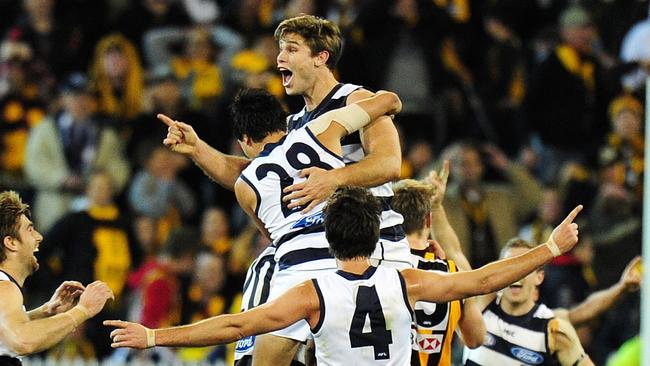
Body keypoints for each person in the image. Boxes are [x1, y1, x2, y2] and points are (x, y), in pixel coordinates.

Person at [161, 16, 411, 363]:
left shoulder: (354, 100)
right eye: (280, 50)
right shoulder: (294, 124)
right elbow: (255, 176)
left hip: (374, 245)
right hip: (324, 248)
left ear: (321, 57)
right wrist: (198, 149)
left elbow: (388, 164)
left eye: (291, 50)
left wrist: (333, 179)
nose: (280, 59)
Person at [105, 186, 583, 365]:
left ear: (329, 241)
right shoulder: (406, 280)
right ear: (378, 238)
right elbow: (481, 281)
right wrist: (547, 249)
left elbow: (236, 326)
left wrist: (152, 336)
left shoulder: (311, 295)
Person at [0, 190, 114, 365]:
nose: (39, 237)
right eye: (30, 230)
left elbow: (6, 331)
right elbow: (22, 340)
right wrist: (83, 310)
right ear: (11, 243)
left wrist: (45, 312)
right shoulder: (4, 288)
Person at [392, 162, 485, 366]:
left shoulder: (377, 268)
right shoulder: (453, 273)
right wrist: (436, 205)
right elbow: (476, 338)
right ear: (428, 221)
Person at [463, 238, 595, 366]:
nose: (516, 275)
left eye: (524, 268)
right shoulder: (479, 308)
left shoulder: (552, 330)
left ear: (539, 277)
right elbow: (456, 255)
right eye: (509, 267)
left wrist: (617, 289)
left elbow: (585, 311)